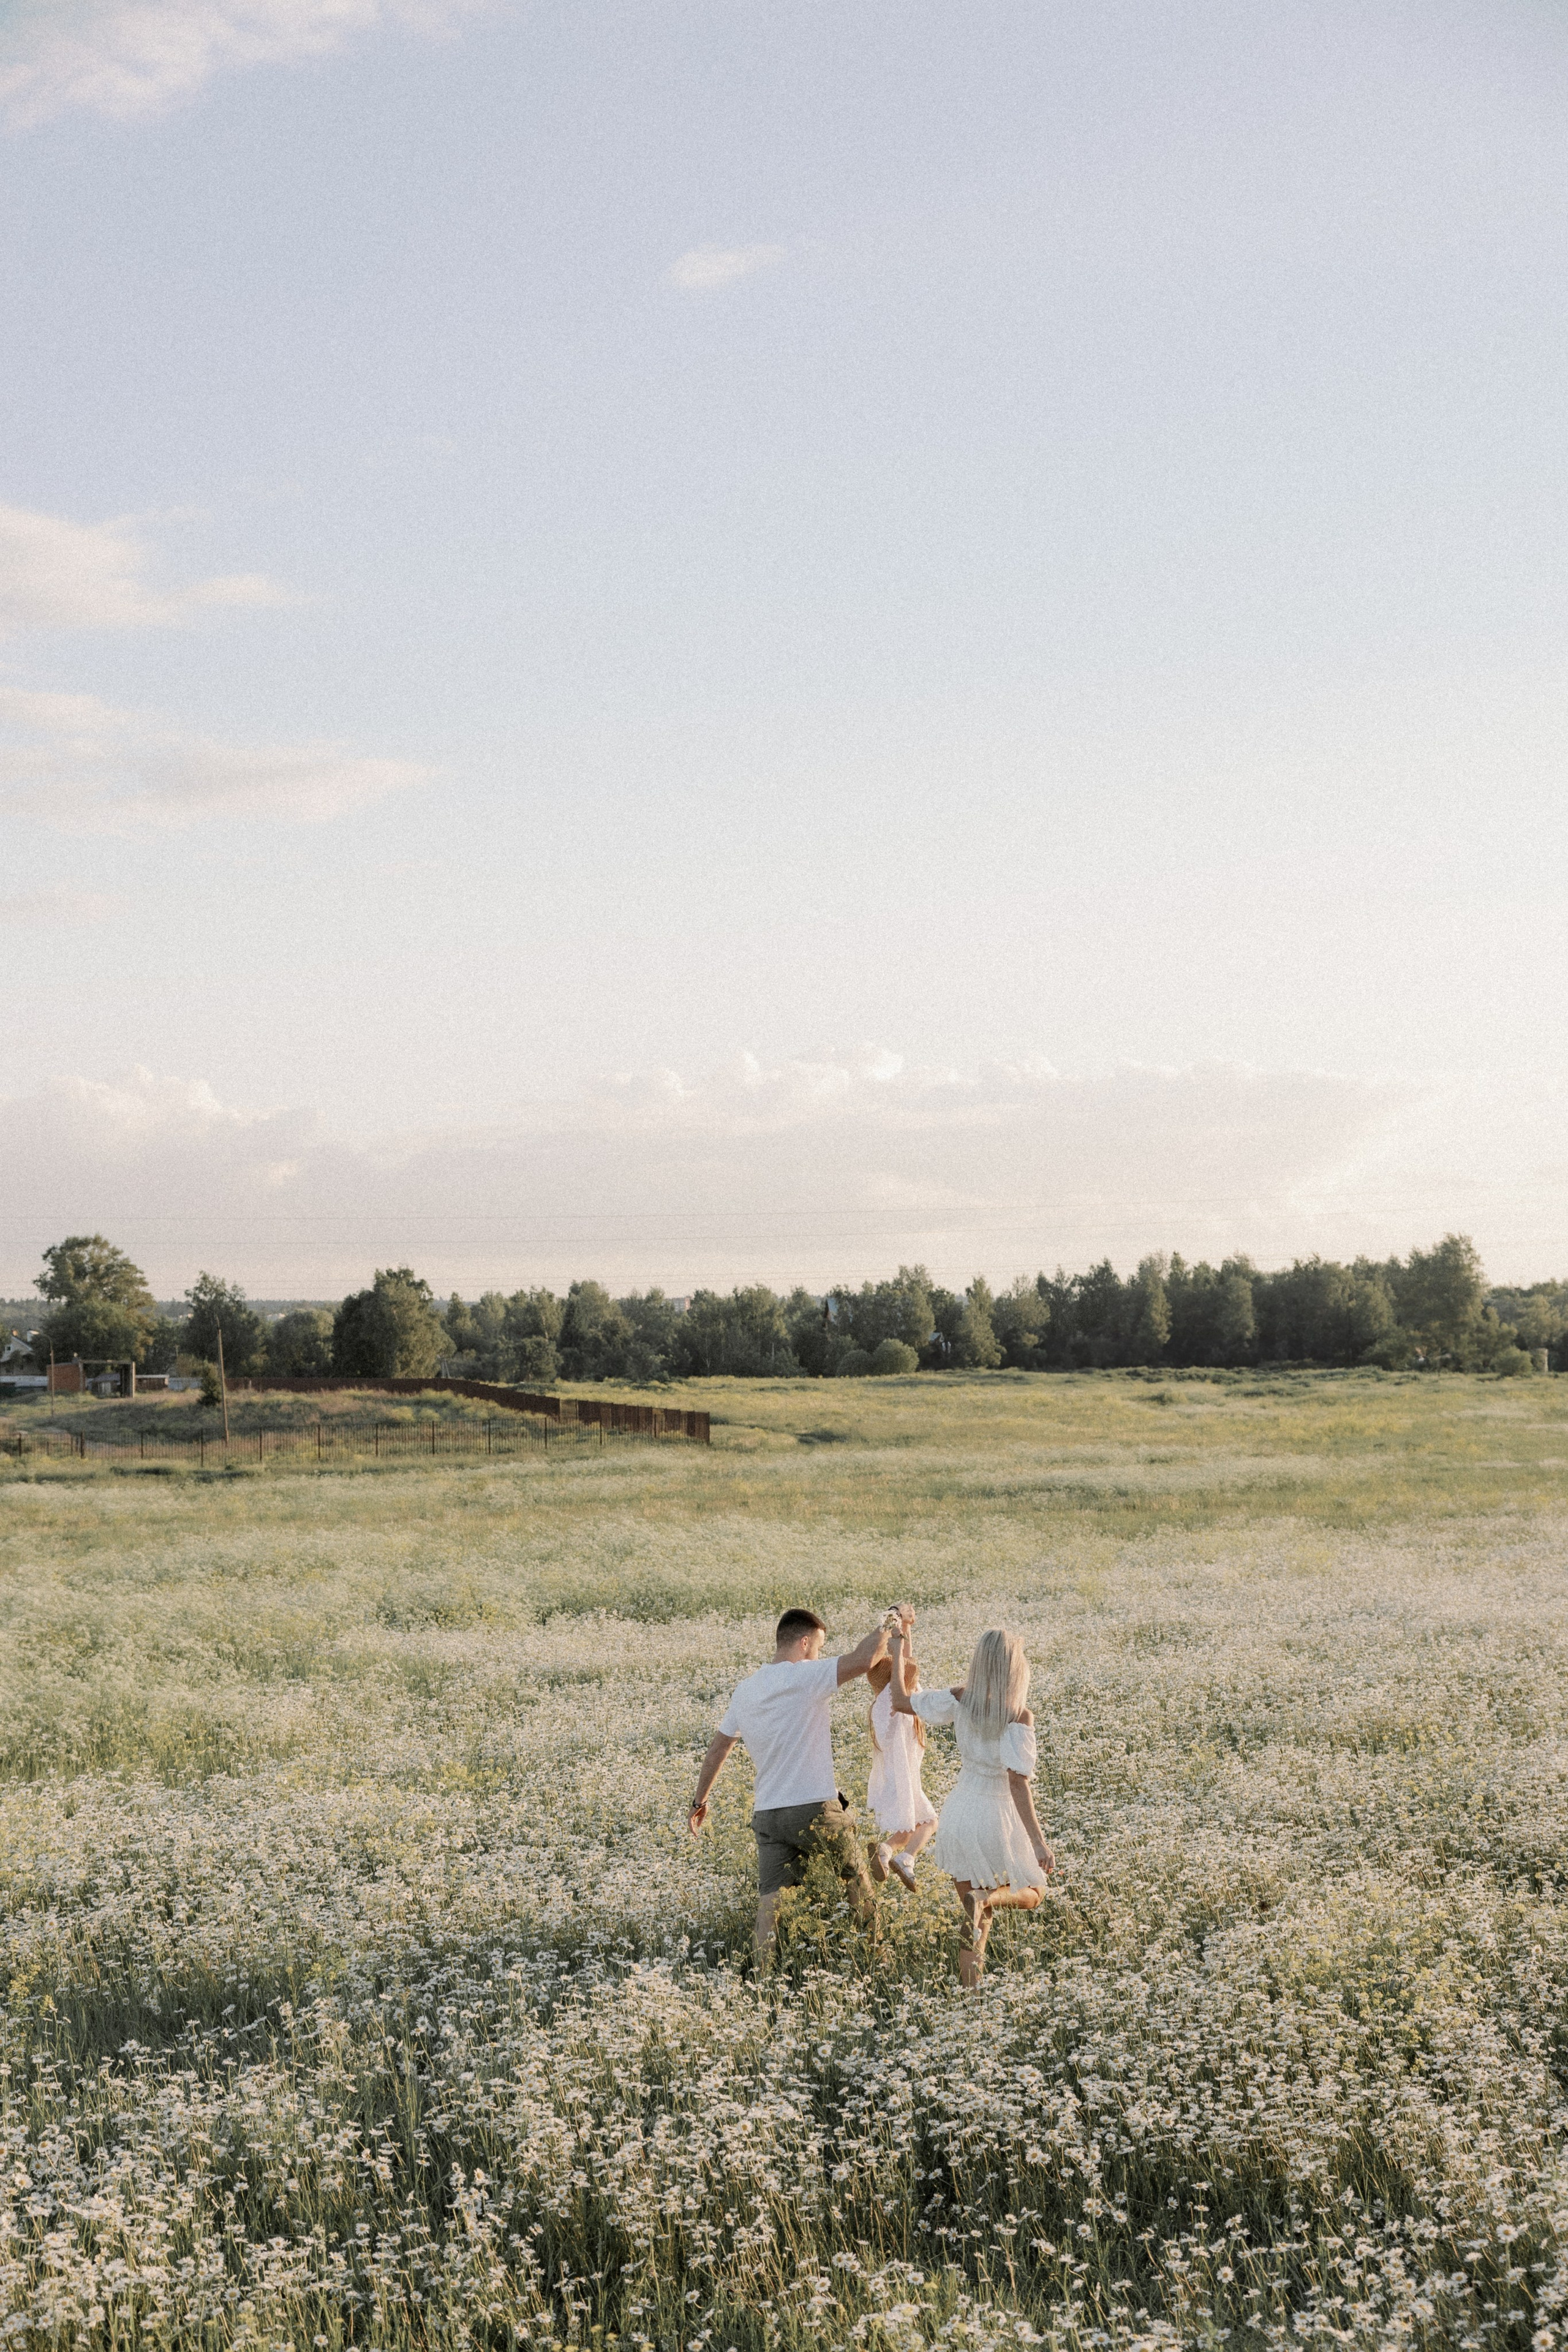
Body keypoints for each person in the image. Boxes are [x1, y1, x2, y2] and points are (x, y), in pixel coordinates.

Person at [688, 1605, 895, 1960]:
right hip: (814, 1809)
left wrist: (698, 1803)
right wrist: (890, 1621)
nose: (819, 1655)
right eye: (818, 1647)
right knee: (857, 1882)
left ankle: (761, 1980)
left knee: (769, 1908)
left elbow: (718, 1749)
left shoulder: (745, 1690)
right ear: (803, 1643)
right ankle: (879, 1961)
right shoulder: (806, 1675)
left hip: (768, 1815)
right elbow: (866, 1658)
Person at [886, 1618, 1054, 1987]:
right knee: (1035, 1893)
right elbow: (1017, 1783)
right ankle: (989, 1896)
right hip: (996, 1815)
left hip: (960, 1812)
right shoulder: (1018, 1716)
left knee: (974, 1918)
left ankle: (970, 1994)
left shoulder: (960, 1698)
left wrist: (897, 1651)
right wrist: (1039, 1841)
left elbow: (898, 1700)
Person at [865, 1608, 937, 1890]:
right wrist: (896, 1648)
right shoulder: (893, 1703)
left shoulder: (887, 1701)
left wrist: (905, 1626)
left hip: (901, 1775)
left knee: (912, 1828)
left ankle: (888, 1853)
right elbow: (903, 1672)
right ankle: (903, 1859)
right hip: (903, 1776)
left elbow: (907, 1664)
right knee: (928, 1822)